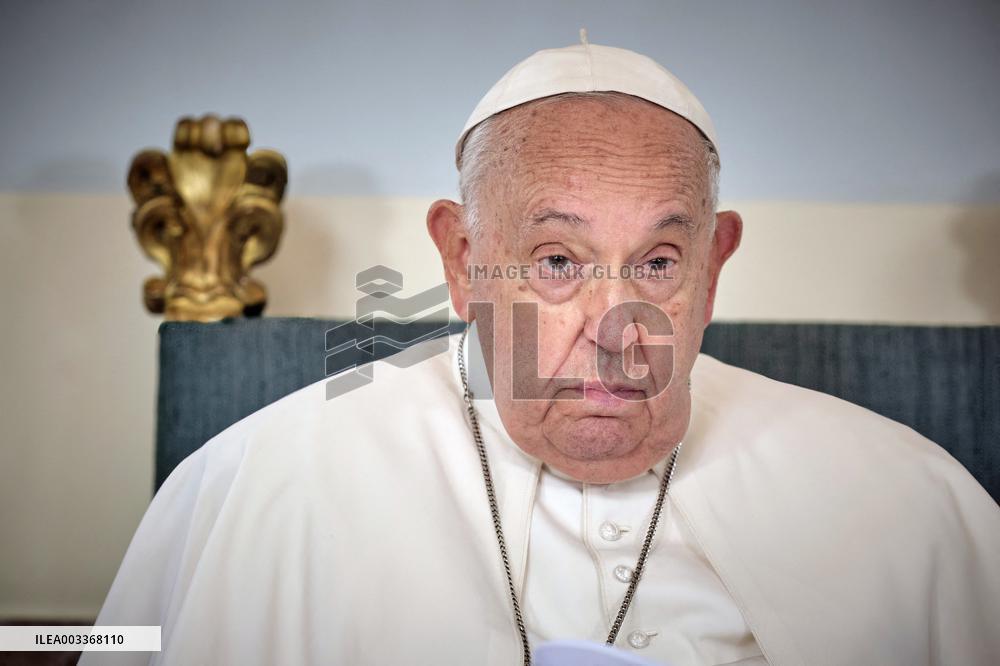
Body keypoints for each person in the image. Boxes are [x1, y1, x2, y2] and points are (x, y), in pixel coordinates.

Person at [82, 39, 1000, 666]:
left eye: (658, 261)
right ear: (464, 260)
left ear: (712, 272)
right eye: (557, 260)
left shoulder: (907, 499)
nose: (615, 328)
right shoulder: (257, 484)